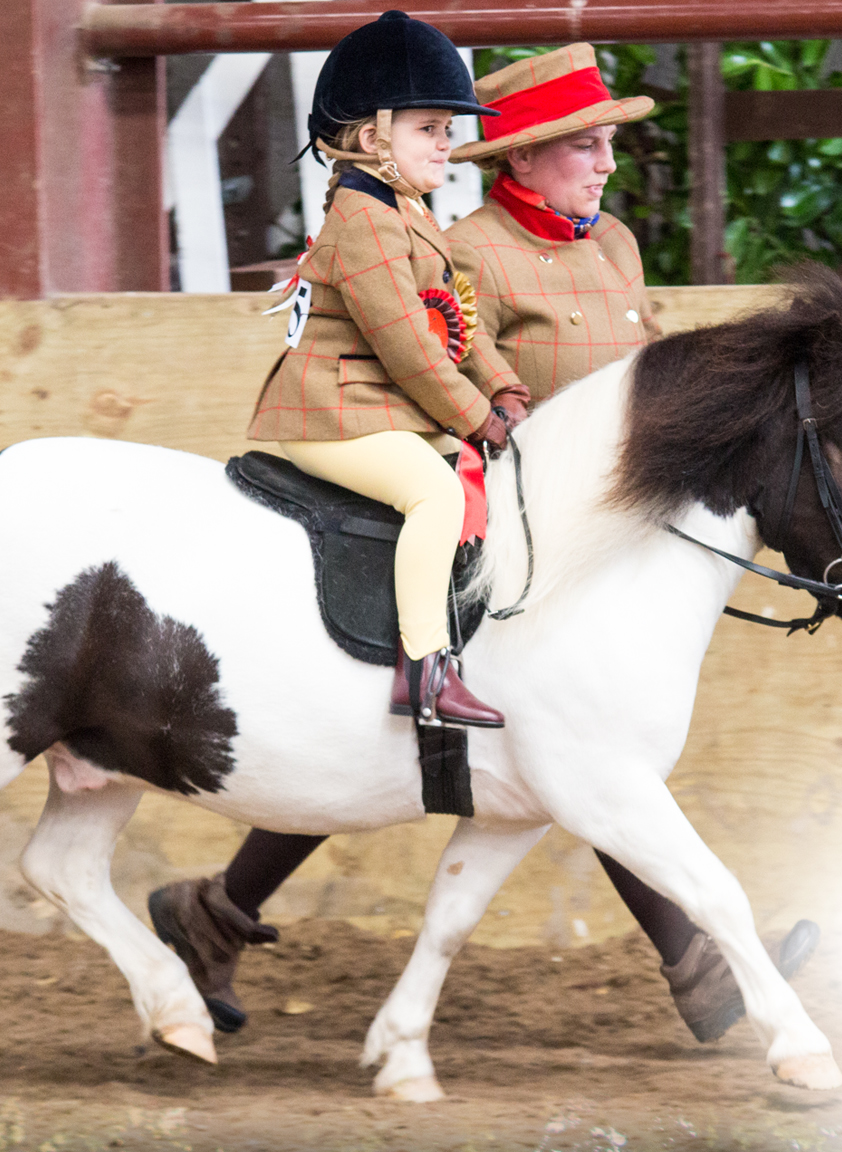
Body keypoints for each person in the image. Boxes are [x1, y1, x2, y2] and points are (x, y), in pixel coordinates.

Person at [155, 41, 811, 1046]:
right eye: (584, 146)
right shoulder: (464, 246)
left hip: (601, 524)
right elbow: (453, 368)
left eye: (606, 145)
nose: (603, 164)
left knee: (587, 756)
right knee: (555, 751)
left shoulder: (618, 246)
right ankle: (697, 963)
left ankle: (217, 912)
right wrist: (503, 424)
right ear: (527, 158)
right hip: (509, 514)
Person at [246, 9, 526, 736]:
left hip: (378, 408)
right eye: (429, 128)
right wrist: (475, 418)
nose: (447, 142)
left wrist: (502, 384)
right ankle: (425, 670)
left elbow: (453, 313)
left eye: (447, 128)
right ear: (373, 137)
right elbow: (407, 345)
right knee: (434, 493)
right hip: (331, 411)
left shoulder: (405, 208)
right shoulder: (364, 218)